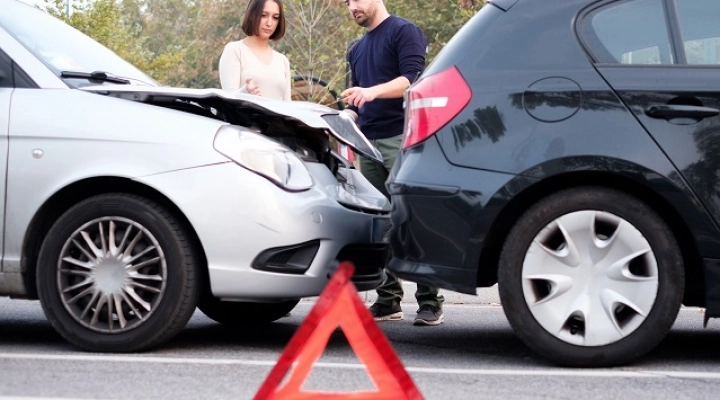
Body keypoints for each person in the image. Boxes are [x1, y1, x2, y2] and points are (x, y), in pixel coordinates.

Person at [340, 0, 444, 326]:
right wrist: (346, 114)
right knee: (379, 223)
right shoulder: (356, 49)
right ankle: (388, 300)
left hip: (402, 139)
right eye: (346, 2)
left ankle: (430, 300)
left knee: (411, 219)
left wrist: (370, 92)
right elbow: (355, 98)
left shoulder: (404, 31)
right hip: (367, 144)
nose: (351, 6)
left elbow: (411, 81)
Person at [218, 0, 291, 101]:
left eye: (275, 17)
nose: (269, 23)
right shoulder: (234, 50)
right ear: (252, 15)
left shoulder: (282, 60)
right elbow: (228, 100)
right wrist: (246, 92)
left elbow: (288, 107)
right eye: (263, 15)